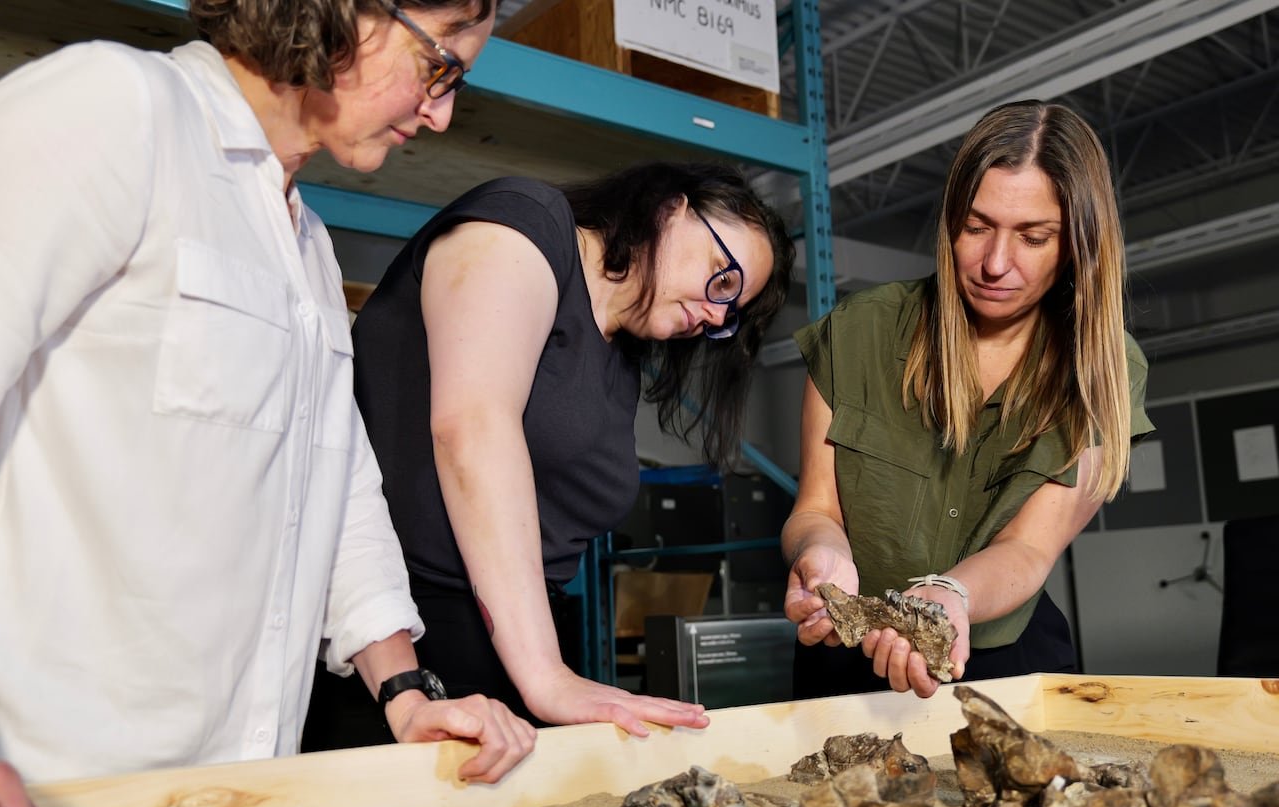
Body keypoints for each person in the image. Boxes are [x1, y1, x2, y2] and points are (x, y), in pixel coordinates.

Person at [0, 0, 536, 807]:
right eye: (441, 66)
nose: (441, 111)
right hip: (54, 794)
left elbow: (338, 489)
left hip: (237, 794)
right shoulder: (120, 109)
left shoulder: (306, 243)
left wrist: (404, 692)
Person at [302, 162, 796, 748]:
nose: (718, 313)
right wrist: (546, 676)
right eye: (722, 277)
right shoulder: (525, 223)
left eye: (731, 312)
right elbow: (473, 426)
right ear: (670, 209)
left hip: (511, 650)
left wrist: (543, 672)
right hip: (395, 638)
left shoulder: (620, 357)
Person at [782, 100, 1155, 700]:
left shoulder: (1106, 369)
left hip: (1006, 660)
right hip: (846, 663)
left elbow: (1028, 549)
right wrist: (821, 555)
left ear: (1079, 245)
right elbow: (815, 508)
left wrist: (948, 597)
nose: (995, 264)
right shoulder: (860, 333)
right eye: (977, 227)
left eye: (1034, 237)